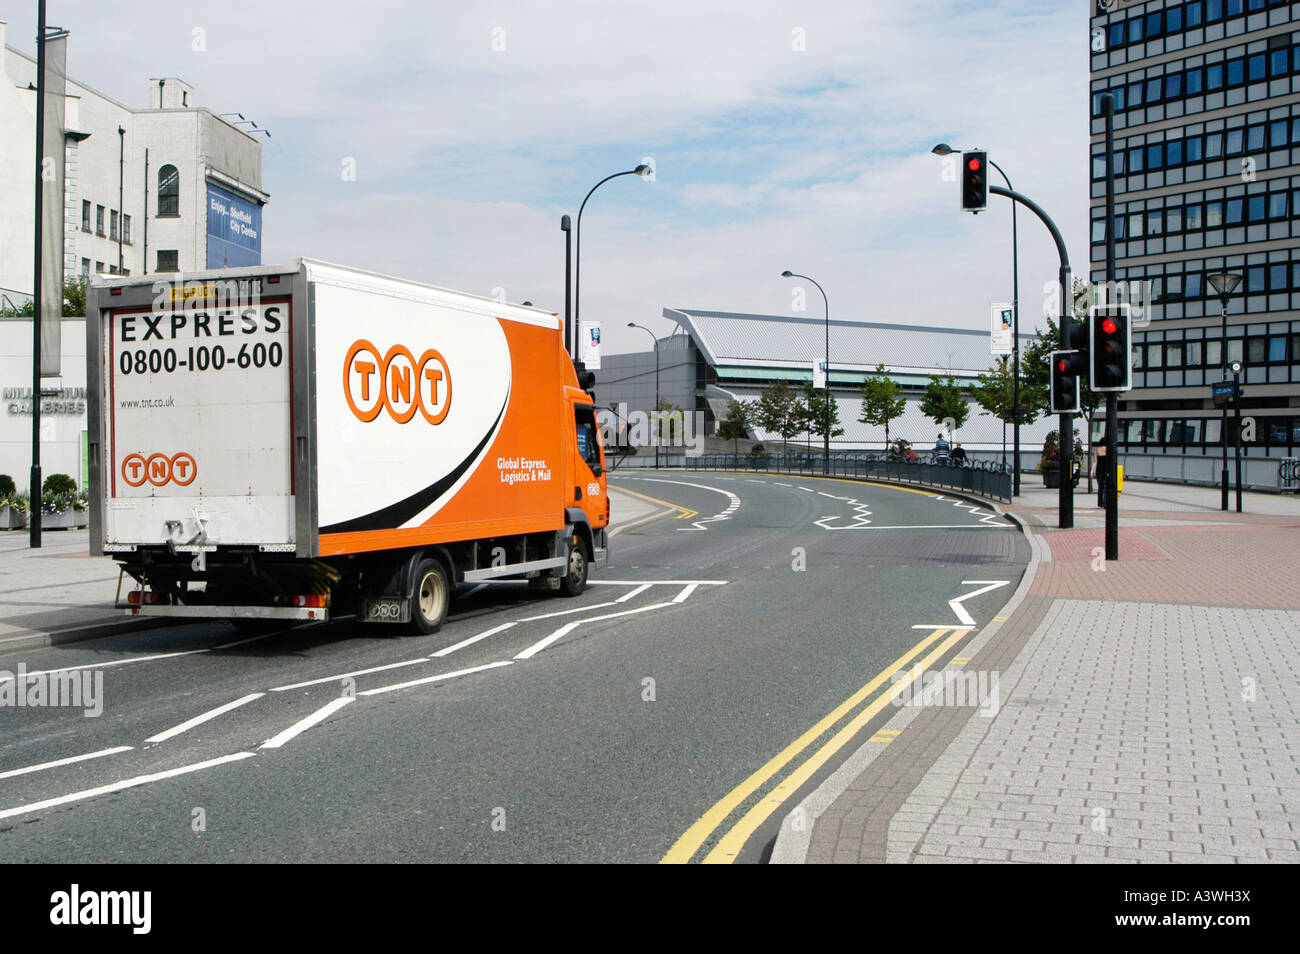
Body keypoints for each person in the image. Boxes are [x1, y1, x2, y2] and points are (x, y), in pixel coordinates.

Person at [1095, 437, 1111, 508]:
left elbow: (1095, 462)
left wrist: (1091, 471)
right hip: (1106, 470)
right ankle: (1105, 503)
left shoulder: (1097, 450)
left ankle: (1100, 503)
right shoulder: (1109, 450)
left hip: (1099, 470)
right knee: (1105, 487)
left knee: (1100, 487)